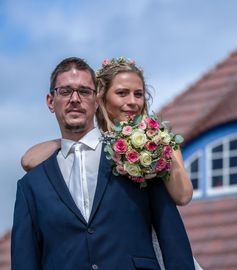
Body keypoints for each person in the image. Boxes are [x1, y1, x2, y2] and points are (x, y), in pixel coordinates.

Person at [11, 57, 196, 270]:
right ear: (51, 101)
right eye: (65, 91)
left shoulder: (139, 153)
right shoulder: (30, 186)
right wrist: (67, 144)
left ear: (96, 99)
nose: (74, 99)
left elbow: (172, 238)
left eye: (84, 91)